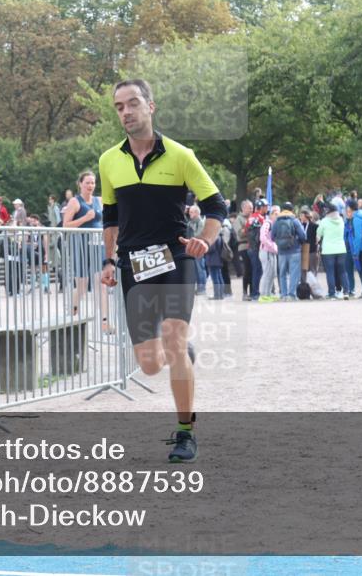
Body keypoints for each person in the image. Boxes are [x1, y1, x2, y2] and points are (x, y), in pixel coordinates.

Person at [98, 79, 225, 463]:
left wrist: (204, 238)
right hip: (134, 263)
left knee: (171, 335)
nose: (126, 112)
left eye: (133, 103)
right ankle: (181, 351)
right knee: (149, 364)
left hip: (175, 256)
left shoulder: (180, 155)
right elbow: (110, 217)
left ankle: (186, 433)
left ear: (150, 107)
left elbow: (216, 206)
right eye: (119, 106)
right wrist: (108, 259)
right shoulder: (108, 161)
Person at [63, 169, 112, 331]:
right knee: (82, 286)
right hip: (81, 247)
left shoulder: (100, 200)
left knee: (101, 284)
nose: (91, 185)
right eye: (87, 183)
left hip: (98, 246)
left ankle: (105, 322)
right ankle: (73, 312)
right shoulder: (75, 202)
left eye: (93, 182)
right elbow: (65, 225)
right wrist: (85, 218)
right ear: (80, 184)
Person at [272, 202, 307, 301]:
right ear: (291, 210)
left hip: (281, 252)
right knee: (294, 274)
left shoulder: (277, 221)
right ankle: (292, 295)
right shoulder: (295, 221)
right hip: (295, 251)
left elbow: (272, 236)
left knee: (282, 274)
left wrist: (279, 242)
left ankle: (283, 295)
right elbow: (303, 236)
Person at [316, 203, 350, 299]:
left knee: (330, 272)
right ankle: (346, 292)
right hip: (341, 249)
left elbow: (318, 234)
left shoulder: (324, 221)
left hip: (328, 250)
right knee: (343, 271)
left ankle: (332, 293)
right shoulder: (341, 220)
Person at [258, 205, 280, 302]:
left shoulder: (274, 224)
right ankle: (263, 295)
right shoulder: (267, 223)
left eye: (278, 213)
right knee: (267, 273)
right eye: (275, 214)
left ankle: (268, 293)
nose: (277, 215)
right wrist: (273, 246)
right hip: (266, 251)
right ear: (270, 214)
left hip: (272, 251)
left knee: (272, 273)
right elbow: (263, 238)